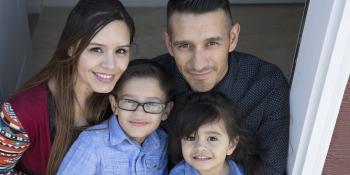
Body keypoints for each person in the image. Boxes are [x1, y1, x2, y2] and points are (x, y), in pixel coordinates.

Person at [154, 0, 290, 174]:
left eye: (212, 43)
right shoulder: (153, 83)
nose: (199, 64)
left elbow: (271, 170)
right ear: (169, 44)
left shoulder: (266, 85)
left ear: (232, 38)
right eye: (185, 46)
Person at [0, 0, 135, 174]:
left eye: (121, 51)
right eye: (96, 49)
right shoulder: (21, 112)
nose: (111, 65)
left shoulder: (123, 99)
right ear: (71, 48)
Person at [57, 59, 174, 175]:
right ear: (114, 105)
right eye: (129, 101)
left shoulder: (162, 141)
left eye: (152, 104)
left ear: (166, 111)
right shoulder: (93, 142)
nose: (139, 113)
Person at [169, 92, 263, 175]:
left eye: (212, 138)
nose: (200, 147)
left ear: (231, 144)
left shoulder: (242, 171)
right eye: (190, 138)